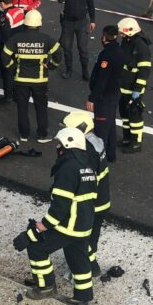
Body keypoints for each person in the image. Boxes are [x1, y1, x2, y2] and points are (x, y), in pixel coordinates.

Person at [13, 127, 96, 305]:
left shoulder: (68, 168)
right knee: (78, 258)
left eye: (60, 144)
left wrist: (37, 229)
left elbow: (60, 208)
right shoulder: (87, 167)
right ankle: (83, 298)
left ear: (67, 145)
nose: (57, 147)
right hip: (84, 224)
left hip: (68, 226)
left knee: (36, 248)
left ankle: (45, 287)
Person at [2, 10, 62, 142]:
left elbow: (5, 55)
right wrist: (51, 66)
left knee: (22, 107)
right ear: (39, 24)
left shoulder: (17, 38)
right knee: (41, 107)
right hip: (39, 80)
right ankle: (42, 134)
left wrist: (13, 67)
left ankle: (24, 135)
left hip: (21, 80)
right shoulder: (45, 39)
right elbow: (58, 53)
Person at [63, 111, 111, 276]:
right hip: (102, 200)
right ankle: (90, 264)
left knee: (81, 239)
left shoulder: (86, 151)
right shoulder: (96, 142)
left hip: (91, 203)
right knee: (92, 237)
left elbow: (83, 180)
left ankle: (87, 267)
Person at [86, 26, 126, 163]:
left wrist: (92, 98)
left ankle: (99, 158)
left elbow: (102, 79)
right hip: (114, 93)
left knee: (101, 127)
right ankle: (110, 154)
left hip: (105, 97)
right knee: (110, 124)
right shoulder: (119, 50)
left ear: (104, 36)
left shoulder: (107, 55)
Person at [117, 17, 152, 153]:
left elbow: (144, 70)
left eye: (123, 32)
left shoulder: (141, 47)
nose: (121, 35)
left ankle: (136, 142)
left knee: (134, 115)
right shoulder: (127, 41)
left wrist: (138, 89)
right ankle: (127, 138)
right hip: (124, 85)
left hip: (133, 87)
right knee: (124, 113)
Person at [56, 0, 96, 80]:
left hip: (82, 22)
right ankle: (69, 70)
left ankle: (85, 71)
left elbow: (91, 5)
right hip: (68, 22)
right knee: (67, 48)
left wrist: (92, 20)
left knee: (83, 48)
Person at [0, 0, 26, 104]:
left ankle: (8, 96)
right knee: (18, 72)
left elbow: (5, 35)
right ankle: (17, 94)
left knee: (7, 73)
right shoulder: (20, 10)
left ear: (2, 3)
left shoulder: (6, 16)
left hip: (9, 49)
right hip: (20, 46)